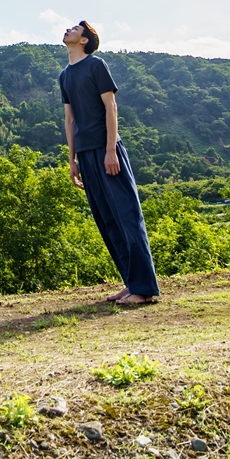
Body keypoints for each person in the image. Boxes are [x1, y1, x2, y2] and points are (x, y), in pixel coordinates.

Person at [61, 19, 159, 305]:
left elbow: (110, 107)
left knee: (127, 216)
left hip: (107, 150)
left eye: (75, 29)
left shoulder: (96, 65)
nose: (69, 30)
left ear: (84, 40)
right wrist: (72, 161)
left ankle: (144, 289)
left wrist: (111, 150)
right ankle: (132, 284)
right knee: (108, 221)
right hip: (86, 155)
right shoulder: (64, 75)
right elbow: (69, 119)